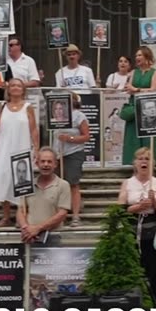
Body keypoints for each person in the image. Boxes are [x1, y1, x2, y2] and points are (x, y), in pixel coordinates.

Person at [118, 147, 156, 306]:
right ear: (135, 163)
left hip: (152, 232)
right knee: (133, 270)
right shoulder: (128, 183)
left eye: (147, 159)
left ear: (152, 163)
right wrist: (136, 207)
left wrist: (154, 201)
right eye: (140, 159)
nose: (143, 162)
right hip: (133, 231)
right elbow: (119, 210)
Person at [0, 78, 39, 228]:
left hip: (21, 147)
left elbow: (33, 129)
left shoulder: (28, 107)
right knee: (3, 179)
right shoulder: (2, 106)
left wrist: (37, 149)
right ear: (8, 89)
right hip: (4, 148)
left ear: (23, 89)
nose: (15, 88)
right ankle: (6, 216)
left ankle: (22, 215)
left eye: (18, 85)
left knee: (22, 182)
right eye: (13, 85)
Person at [16, 148, 71, 244]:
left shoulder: (63, 185)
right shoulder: (26, 185)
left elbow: (62, 214)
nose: (46, 164)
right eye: (43, 161)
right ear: (37, 164)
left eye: (49, 162)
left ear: (55, 164)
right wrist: (26, 228)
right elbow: (20, 210)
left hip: (53, 235)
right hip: (29, 237)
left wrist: (38, 228)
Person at [54, 91, 90, 226]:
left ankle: (75, 216)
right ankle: (60, 216)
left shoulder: (79, 116)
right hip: (58, 153)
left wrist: (70, 138)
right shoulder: (57, 115)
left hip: (74, 153)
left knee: (73, 184)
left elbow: (86, 136)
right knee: (58, 185)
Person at [122, 47, 156, 165]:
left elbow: (153, 89)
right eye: (136, 56)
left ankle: (151, 162)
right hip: (134, 106)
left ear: (146, 57)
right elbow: (129, 88)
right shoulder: (134, 72)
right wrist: (131, 89)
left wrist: (137, 90)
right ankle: (132, 162)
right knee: (133, 136)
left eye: (140, 55)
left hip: (148, 107)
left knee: (149, 137)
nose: (137, 58)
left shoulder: (154, 72)